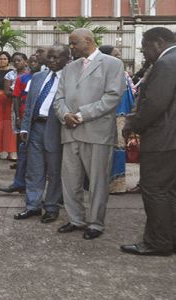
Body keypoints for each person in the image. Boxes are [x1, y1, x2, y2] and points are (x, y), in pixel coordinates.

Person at [120, 27, 176, 257]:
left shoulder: (166, 63)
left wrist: (134, 125)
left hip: (164, 139)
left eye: (145, 48)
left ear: (158, 42)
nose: (144, 53)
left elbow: (155, 103)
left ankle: (158, 243)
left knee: (155, 190)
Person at [52, 28, 125, 240]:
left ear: (88, 41)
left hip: (96, 132)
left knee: (97, 181)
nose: (71, 47)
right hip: (70, 131)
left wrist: (82, 115)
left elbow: (112, 97)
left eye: (74, 43)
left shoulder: (112, 64)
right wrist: (65, 115)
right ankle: (75, 219)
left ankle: (95, 223)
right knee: (70, 180)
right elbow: (59, 98)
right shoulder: (70, 68)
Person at [14, 43, 70, 223]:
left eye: (56, 58)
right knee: (34, 169)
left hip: (56, 129)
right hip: (35, 128)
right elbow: (29, 105)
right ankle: (32, 206)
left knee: (54, 171)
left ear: (67, 59)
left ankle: (52, 207)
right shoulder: (38, 77)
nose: (52, 61)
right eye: (50, 57)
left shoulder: (71, 79)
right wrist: (24, 127)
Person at [0, 55, 42, 194]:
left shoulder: (45, 78)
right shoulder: (21, 79)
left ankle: (32, 186)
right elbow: (15, 97)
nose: (33, 64)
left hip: (40, 119)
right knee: (22, 150)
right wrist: (18, 117)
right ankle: (19, 183)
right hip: (24, 118)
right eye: (31, 61)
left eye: (35, 61)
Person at [99, 45, 136, 195]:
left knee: (119, 150)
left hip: (122, 116)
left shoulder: (122, 73)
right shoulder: (103, 74)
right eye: (116, 55)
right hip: (107, 117)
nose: (119, 58)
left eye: (119, 55)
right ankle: (103, 185)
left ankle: (117, 185)